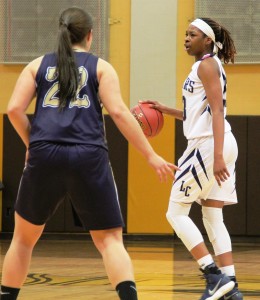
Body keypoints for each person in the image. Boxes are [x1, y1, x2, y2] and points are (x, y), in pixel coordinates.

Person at [0, 7, 178, 300]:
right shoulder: (101, 67)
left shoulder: (36, 65)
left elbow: (14, 110)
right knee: (110, 241)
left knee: (22, 239)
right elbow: (119, 113)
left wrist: (32, 144)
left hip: (45, 153)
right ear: (90, 35)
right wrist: (151, 155)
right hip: (88, 154)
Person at [141, 18, 243, 300]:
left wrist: (218, 155)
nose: (186, 38)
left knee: (175, 213)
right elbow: (199, 114)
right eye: (186, 34)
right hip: (216, 144)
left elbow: (218, 112)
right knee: (212, 215)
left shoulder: (206, 65)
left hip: (209, 146)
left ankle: (213, 276)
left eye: (193, 34)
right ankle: (231, 285)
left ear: (207, 40)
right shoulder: (206, 66)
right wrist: (164, 109)